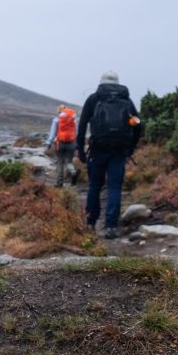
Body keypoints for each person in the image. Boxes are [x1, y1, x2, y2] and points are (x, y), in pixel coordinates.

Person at [76, 71, 142, 239]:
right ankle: (111, 227)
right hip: (119, 151)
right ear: (118, 82)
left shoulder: (93, 98)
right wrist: (130, 149)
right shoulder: (126, 100)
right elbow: (138, 125)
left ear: (101, 82)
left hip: (97, 150)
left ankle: (91, 222)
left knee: (94, 186)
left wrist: (81, 151)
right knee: (114, 188)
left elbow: (82, 125)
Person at [46, 104, 79, 187]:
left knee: (60, 162)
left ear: (59, 111)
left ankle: (59, 183)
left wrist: (49, 143)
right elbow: (77, 133)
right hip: (71, 143)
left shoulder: (56, 120)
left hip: (60, 143)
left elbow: (53, 133)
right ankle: (73, 172)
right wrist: (77, 144)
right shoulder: (74, 120)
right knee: (68, 161)